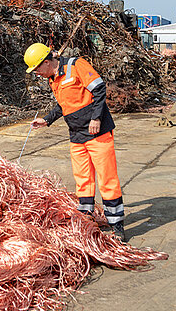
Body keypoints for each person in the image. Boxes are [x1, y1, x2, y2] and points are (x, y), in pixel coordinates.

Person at [24, 42, 128, 242]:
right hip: (77, 134)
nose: (36, 73)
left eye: (36, 68)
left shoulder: (75, 65)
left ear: (46, 62)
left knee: (107, 179)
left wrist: (96, 119)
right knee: (83, 179)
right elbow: (64, 105)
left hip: (97, 132)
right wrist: (46, 120)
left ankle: (117, 225)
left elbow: (99, 90)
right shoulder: (53, 79)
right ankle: (86, 218)